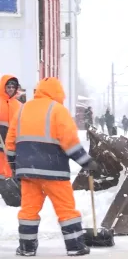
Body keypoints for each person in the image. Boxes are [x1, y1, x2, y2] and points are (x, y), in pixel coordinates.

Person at [5, 77, 98, 256]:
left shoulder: (23, 110)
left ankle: (26, 248)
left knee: (28, 210)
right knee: (66, 209)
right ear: (57, 92)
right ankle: (75, 247)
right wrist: (86, 162)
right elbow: (69, 142)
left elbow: (10, 142)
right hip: (54, 171)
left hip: (28, 172)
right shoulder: (58, 110)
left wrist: (16, 168)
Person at [0, 75, 22, 181]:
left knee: (10, 167)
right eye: (8, 87)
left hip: (13, 144)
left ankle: (9, 187)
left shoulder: (19, 105)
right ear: (3, 87)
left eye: (13, 87)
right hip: (1, 140)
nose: (11, 89)